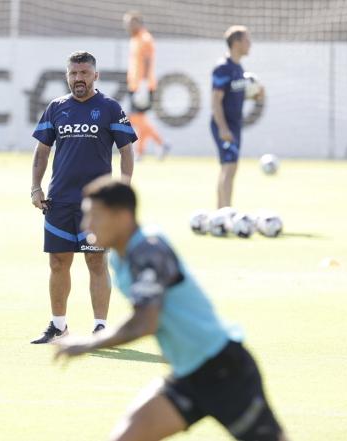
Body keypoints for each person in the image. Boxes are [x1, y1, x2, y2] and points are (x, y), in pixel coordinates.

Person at [55, 177, 288, 441]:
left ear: (122, 216)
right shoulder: (124, 255)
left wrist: (88, 344)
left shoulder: (148, 251)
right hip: (188, 375)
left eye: (94, 216)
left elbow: (145, 322)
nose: (86, 226)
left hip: (224, 371)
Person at [30, 51, 136, 344]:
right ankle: (58, 326)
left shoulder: (110, 108)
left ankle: (101, 327)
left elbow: (126, 151)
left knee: (96, 262)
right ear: (68, 76)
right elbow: (42, 152)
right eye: (74, 74)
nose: (79, 79)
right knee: (58, 263)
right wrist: (36, 187)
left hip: (97, 206)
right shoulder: (55, 108)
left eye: (84, 73)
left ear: (95, 76)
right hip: (60, 200)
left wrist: (123, 191)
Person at [211, 25, 263, 208]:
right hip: (224, 124)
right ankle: (224, 212)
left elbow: (235, 93)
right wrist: (223, 128)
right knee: (229, 166)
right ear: (236, 43)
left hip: (234, 124)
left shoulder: (238, 67)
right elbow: (216, 101)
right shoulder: (223, 68)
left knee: (230, 167)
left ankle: (223, 211)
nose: (250, 44)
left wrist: (254, 94)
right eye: (247, 40)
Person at [123, 11, 170, 161]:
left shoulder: (145, 38)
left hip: (142, 85)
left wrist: (143, 83)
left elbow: (148, 61)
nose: (127, 26)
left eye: (130, 23)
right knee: (140, 118)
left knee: (135, 118)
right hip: (135, 84)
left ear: (138, 23)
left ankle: (161, 143)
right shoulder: (135, 39)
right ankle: (141, 151)